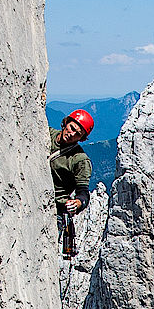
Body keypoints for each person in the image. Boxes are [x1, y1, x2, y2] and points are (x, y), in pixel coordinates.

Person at [49, 109, 94, 258]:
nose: (72, 134)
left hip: (54, 210)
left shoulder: (80, 160)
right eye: (72, 128)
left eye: (78, 134)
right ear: (66, 123)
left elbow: (83, 192)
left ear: (82, 138)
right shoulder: (46, 133)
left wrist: (78, 202)